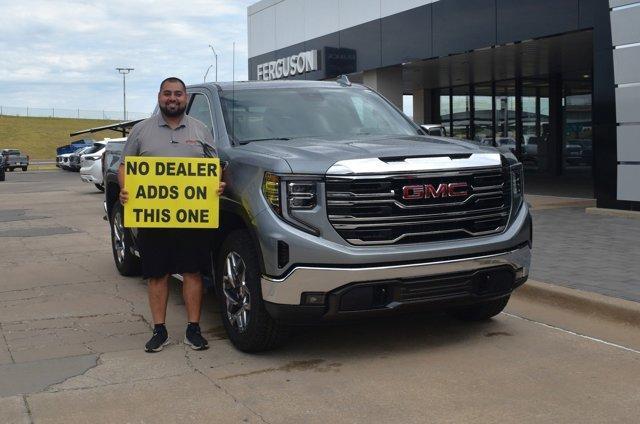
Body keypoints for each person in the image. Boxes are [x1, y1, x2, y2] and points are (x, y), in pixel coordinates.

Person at [118, 77, 226, 353]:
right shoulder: (141, 131)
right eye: (167, 94)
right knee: (156, 273)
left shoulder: (201, 130)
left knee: (192, 271)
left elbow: (214, 166)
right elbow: (125, 167)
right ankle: (159, 330)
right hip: (153, 217)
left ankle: (193, 329)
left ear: (186, 97)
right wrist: (125, 190)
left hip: (193, 217)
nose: (173, 98)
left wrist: (218, 184)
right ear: (159, 96)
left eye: (178, 94)